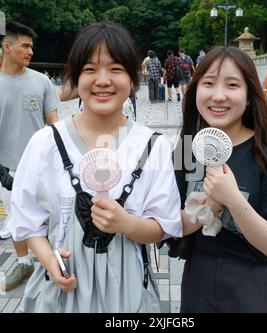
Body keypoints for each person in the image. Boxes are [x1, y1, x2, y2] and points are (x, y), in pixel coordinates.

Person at [7, 21, 182, 313]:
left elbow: (163, 225)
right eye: (89, 70)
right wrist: (49, 259)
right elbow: (27, 219)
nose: (102, 80)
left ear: (132, 77)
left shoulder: (154, 146)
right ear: (74, 77)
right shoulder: (45, 143)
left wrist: (127, 224)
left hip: (126, 292)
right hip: (61, 288)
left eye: (115, 69)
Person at [175, 46, 267, 313]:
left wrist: (232, 198)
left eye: (232, 85)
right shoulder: (185, 149)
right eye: (208, 83)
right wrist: (211, 207)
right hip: (199, 281)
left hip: (253, 285)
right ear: (195, 91)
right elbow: (174, 227)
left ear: (249, 96)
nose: (219, 96)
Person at [0, 21, 59, 291]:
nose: (31, 51)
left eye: (32, 46)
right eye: (25, 46)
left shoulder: (41, 81)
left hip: (42, 167)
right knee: (17, 221)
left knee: (52, 218)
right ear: (7, 46)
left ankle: (54, 263)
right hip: (6, 169)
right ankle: (23, 264)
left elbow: (54, 126)